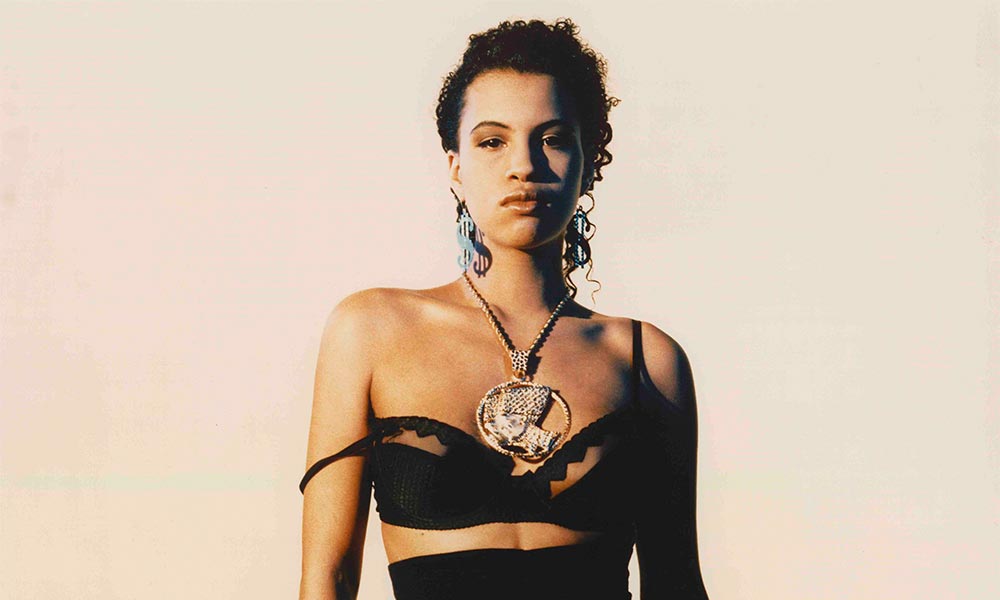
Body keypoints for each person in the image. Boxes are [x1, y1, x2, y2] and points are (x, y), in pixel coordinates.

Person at [298, 18, 710, 600]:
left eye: (553, 139)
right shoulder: (371, 331)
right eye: (492, 141)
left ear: (590, 162)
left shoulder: (646, 360)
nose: (524, 166)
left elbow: (676, 584)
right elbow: (328, 579)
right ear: (455, 167)